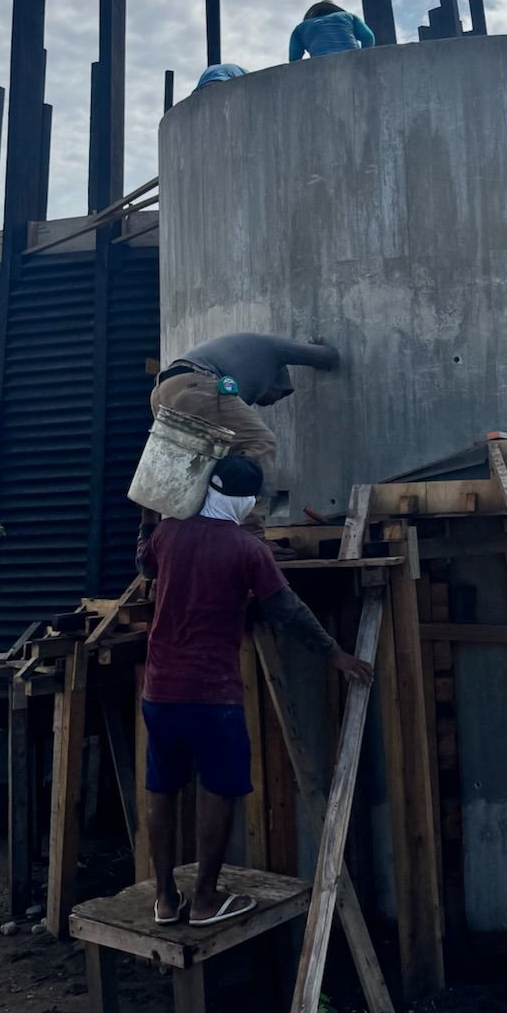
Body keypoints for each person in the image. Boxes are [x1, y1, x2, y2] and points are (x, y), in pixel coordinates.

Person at [137, 455, 371, 925]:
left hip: (159, 690)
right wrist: (336, 655)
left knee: (162, 787)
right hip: (212, 695)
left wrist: (150, 518)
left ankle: (165, 899)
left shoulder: (169, 534)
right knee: (218, 789)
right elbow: (288, 611)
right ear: (245, 500)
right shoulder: (246, 549)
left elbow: (145, 567)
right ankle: (204, 900)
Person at [152, 331, 342, 483]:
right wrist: (313, 348)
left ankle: (151, 527)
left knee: (178, 463)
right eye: (276, 396)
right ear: (276, 381)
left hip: (162, 389)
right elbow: (329, 356)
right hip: (198, 384)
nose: (271, 403)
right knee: (261, 443)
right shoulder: (271, 348)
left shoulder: (245, 363)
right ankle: (252, 527)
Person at [288, 0, 376, 62]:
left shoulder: (300, 28)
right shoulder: (348, 16)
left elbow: (294, 59)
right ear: (334, 10)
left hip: (320, 66)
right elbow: (368, 37)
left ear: (314, 14)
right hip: (353, 60)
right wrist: (364, 59)